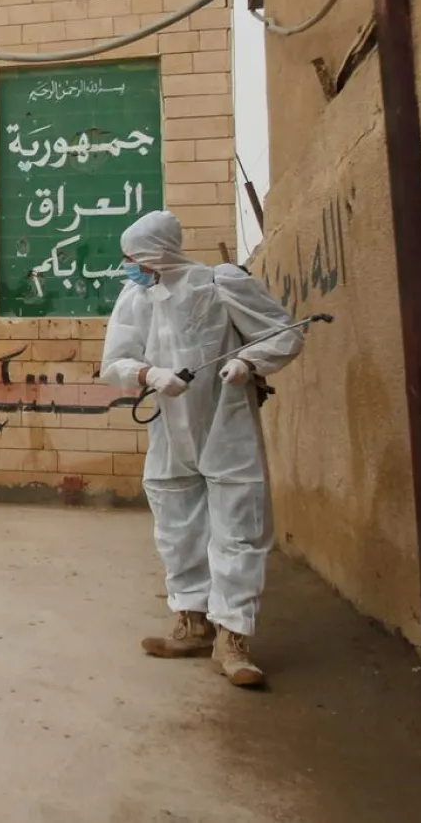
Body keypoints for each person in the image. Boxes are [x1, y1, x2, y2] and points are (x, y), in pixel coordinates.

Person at [100, 210, 305, 688]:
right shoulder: (136, 297)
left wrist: (249, 363)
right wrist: (149, 374)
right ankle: (192, 621)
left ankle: (233, 638)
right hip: (171, 429)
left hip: (224, 423)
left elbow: (284, 333)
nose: (130, 266)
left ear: (159, 253)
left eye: (136, 257)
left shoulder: (222, 282)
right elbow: (114, 362)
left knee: (239, 526)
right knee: (177, 526)